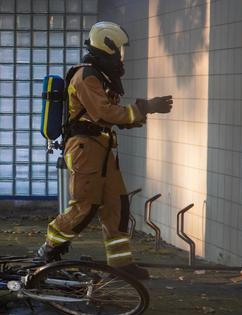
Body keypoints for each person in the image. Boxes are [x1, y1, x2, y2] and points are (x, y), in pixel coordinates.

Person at [37, 21, 173, 280]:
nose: (121, 55)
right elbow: (104, 112)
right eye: (118, 49)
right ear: (107, 45)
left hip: (102, 149)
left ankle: (121, 265)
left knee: (117, 206)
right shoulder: (86, 75)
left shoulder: (99, 76)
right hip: (85, 149)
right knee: (85, 207)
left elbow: (104, 117)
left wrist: (134, 117)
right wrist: (145, 107)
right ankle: (48, 249)